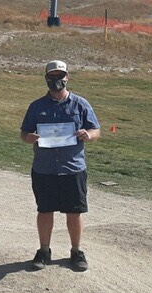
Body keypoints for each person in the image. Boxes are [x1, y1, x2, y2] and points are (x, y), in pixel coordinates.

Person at [20, 60, 100, 272]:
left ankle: (76, 251)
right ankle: (44, 251)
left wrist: (88, 134)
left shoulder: (80, 104)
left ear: (67, 77)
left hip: (72, 168)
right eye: (52, 76)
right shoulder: (36, 106)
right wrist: (29, 138)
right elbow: (24, 133)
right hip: (44, 168)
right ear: (46, 78)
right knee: (45, 210)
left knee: (74, 212)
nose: (57, 80)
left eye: (60, 76)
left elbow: (96, 130)